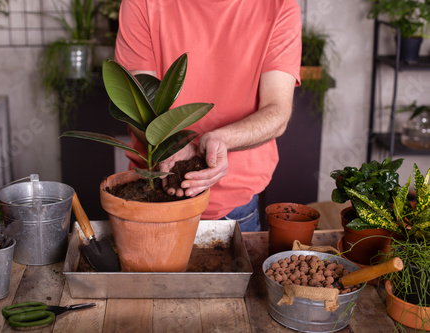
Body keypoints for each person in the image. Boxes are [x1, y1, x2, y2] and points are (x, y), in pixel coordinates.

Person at [114, 0, 302, 231]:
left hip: (234, 208)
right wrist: (175, 146)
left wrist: (221, 140)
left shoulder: (279, 5)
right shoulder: (142, 3)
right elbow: (136, 103)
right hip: (150, 193)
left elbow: (277, 111)